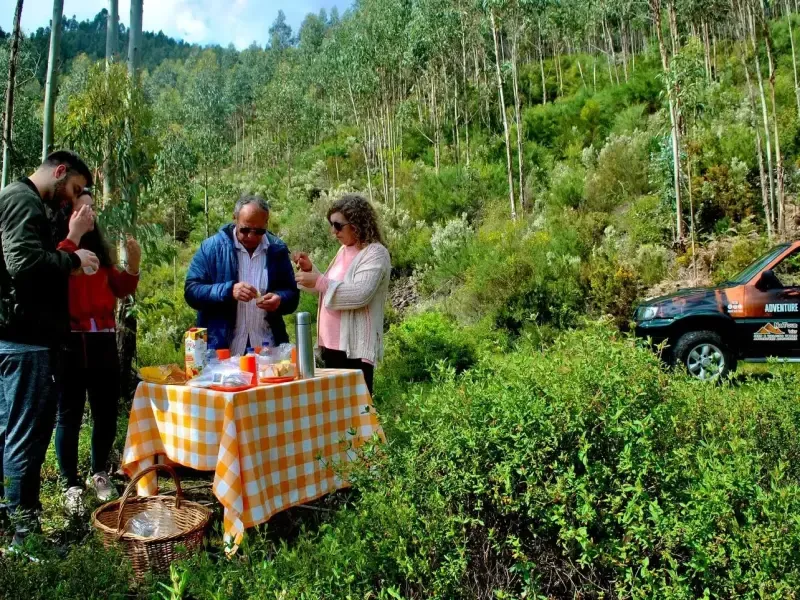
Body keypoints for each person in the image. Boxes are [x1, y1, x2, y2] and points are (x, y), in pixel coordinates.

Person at [0, 151, 99, 544]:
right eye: (74, 188)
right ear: (59, 172)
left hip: (26, 338)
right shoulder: (21, 198)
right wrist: (70, 259)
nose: (72, 198)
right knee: (26, 436)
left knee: (15, 434)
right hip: (24, 340)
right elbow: (22, 265)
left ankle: (15, 524)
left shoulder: (28, 202)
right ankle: (25, 535)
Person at [54, 190, 141, 513]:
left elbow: (121, 288)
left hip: (103, 339)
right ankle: (70, 483)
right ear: (68, 213)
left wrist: (132, 267)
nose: (89, 215)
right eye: (82, 209)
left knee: (105, 411)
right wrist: (72, 237)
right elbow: (52, 278)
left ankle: (99, 473)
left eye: (92, 210)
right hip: (71, 341)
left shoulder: (100, 255)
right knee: (70, 414)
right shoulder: (60, 249)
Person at [293, 194, 391, 395]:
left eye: (338, 225)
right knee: (334, 413)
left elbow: (359, 294)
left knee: (355, 415)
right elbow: (330, 287)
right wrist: (312, 271)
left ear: (356, 223)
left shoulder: (375, 253)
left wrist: (318, 281)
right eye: (331, 225)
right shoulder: (344, 250)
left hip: (353, 351)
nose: (333, 232)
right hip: (330, 348)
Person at [185, 194, 299, 354]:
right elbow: (191, 291)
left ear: (267, 223)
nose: (251, 237)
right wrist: (228, 291)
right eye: (245, 230)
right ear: (235, 219)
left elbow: (292, 295)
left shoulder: (277, 250)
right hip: (221, 353)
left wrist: (280, 299)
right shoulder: (211, 248)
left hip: (267, 350)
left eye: (259, 231)